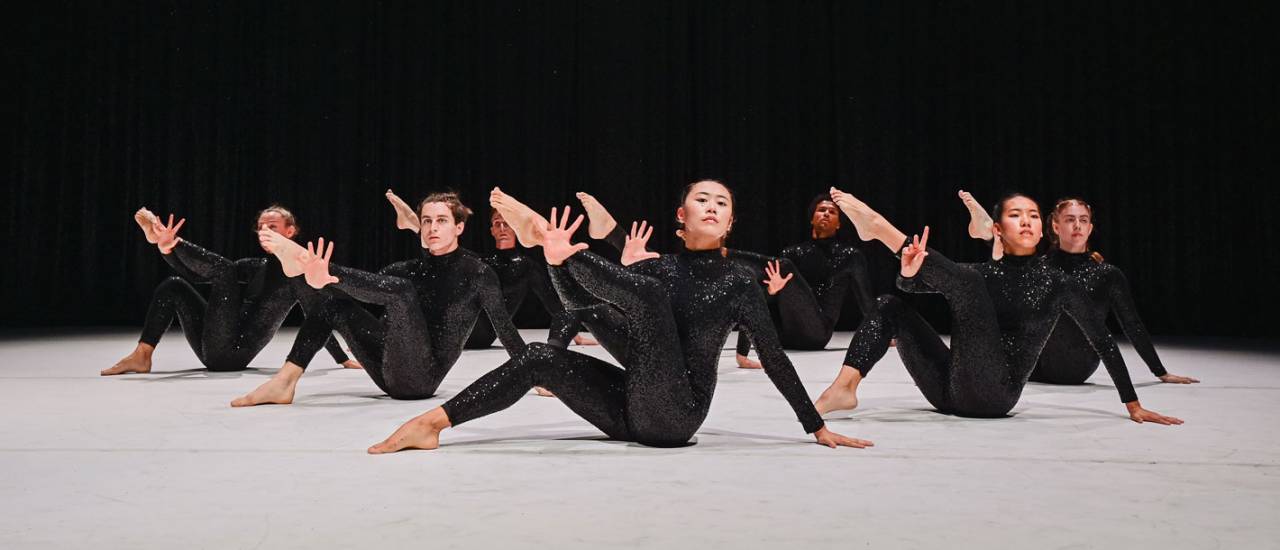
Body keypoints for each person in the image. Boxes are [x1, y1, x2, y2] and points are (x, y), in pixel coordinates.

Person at [365, 181, 874, 452]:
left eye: (722, 202)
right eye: (702, 199)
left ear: (731, 221)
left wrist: (814, 426)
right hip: (632, 408)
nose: (712, 207)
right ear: (681, 216)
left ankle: (548, 241)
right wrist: (560, 267)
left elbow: (775, 358)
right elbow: (576, 307)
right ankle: (430, 424)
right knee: (543, 354)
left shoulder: (738, 280)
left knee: (645, 297)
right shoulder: (658, 267)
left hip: (678, 416)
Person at [812, 188, 1182, 425]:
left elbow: (1103, 341)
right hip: (948, 391)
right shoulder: (979, 273)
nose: (1026, 220)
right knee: (889, 304)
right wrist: (908, 275)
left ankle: (880, 229)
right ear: (999, 230)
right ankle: (845, 387)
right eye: (1016, 215)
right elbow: (913, 286)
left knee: (966, 284)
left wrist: (1133, 405)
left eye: (1033, 215)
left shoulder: (1059, 283)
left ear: (1042, 230)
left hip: (994, 396)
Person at [229, 192, 524, 406]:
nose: (433, 227)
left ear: (458, 227)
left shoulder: (478, 273)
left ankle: (314, 266)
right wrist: (327, 287)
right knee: (334, 304)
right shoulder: (408, 269)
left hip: (420, 381)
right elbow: (366, 289)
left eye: (442, 221)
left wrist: (533, 374)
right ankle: (284, 382)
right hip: (387, 369)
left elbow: (504, 328)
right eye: (427, 221)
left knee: (400, 291)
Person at [957, 193, 1197, 385]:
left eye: (1083, 220)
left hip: (1078, 368)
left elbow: (1132, 324)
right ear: (1055, 226)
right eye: (1070, 220)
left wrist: (1160, 372)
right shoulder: (1040, 268)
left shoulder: (1107, 274)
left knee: (1012, 272)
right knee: (1004, 279)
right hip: (1034, 365)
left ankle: (991, 235)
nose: (1077, 226)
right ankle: (992, 235)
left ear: (1091, 228)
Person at [102, 207, 357, 376]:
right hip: (213, 343)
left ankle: (173, 242)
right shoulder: (253, 266)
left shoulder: (298, 272)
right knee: (175, 285)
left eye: (273, 227)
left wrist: (342, 359)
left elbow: (317, 314)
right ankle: (142, 355)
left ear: (290, 232)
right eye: (261, 227)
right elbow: (197, 275)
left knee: (224, 270)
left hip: (233, 354)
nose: (264, 232)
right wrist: (167, 252)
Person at [385, 189, 594, 349]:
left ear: (516, 228)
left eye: (507, 223)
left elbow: (553, 303)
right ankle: (416, 227)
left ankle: (415, 227)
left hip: (483, 334)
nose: (502, 228)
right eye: (497, 223)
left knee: (572, 308)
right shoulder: (483, 261)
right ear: (491, 230)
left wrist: (575, 335)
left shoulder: (526, 267)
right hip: (456, 330)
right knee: (448, 258)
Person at [731, 193, 876, 368]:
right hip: (785, 335)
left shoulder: (850, 256)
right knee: (757, 287)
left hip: (817, 333)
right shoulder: (793, 253)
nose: (826, 213)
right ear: (811, 219)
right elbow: (770, 299)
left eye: (832, 212)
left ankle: (730, 254)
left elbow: (865, 300)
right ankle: (742, 356)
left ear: (838, 224)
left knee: (782, 266)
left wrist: (881, 331)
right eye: (821, 210)